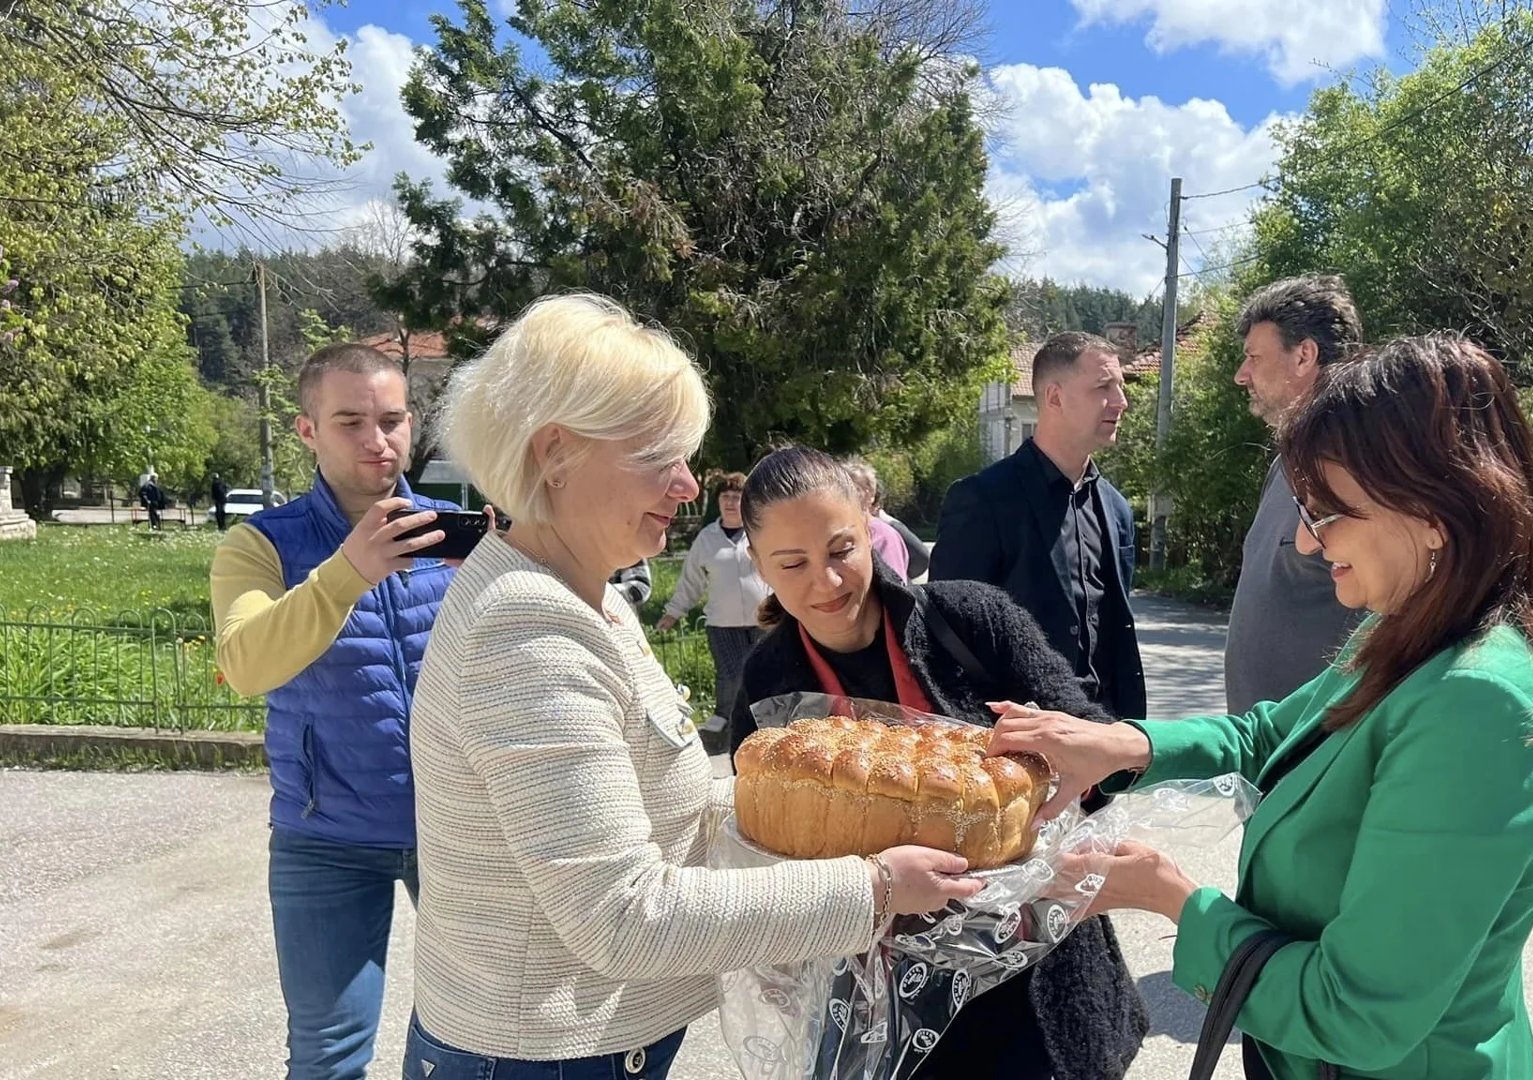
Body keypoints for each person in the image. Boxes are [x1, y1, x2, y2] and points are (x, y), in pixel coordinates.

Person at [989, 333, 1533, 1080]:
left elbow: (1358, 1011)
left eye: (1329, 514)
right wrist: (1124, 748)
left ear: (1436, 507)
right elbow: (1275, 734)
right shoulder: (1411, 625)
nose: (1311, 547)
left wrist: (1176, 901)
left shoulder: (1478, 708)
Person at [404, 294, 980, 1080]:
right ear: (555, 454)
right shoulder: (526, 628)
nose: (688, 483)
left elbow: (657, 805)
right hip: (540, 1057)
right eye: (659, 454)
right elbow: (623, 919)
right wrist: (874, 888)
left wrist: (829, 808)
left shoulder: (587, 593)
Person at [727, 446, 1148, 1080]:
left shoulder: (969, 620)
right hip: (878, 998)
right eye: (793, 563)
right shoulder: (766, 682)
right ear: (758, 564)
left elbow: (1091, 740)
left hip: (1027, 977)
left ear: (870, 529)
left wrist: (1069, 761)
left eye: (841, 550)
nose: (827, 582)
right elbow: (761, 836)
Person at [209, 343, 460, 1080]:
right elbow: (246, 662)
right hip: (324, 839)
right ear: (307, 429)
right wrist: (349, 572)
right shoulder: (260, 543)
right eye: (350, 420)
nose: (376, 441)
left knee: (477, 1042)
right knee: (327, 1054)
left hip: (459, 829)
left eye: (391, 419)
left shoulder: (459, 533)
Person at [931, 332, 1144, 719]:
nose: (1121, 402)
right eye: (1103, 387)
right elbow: (947, 636)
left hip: (1105, 732)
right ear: (1054, 397)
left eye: (1120, 387)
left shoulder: (1116, 509)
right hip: (1014, 734)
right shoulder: (983, 500)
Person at [1225, 275, 1369, 712]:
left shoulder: (1362, 467)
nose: (1240, 375)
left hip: (1323, 753)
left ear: (1304, 355)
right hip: (1266, 755)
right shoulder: (1286, 463)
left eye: (1253, 357)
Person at [654, 470, 771, 736]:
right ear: (718, 502)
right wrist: (674, 612)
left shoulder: (760, 532)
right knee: (730, 675)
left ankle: (761, 723)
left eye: (736, 497)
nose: (730, 503)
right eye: (725, 497)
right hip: (722, 624)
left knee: (764, 672)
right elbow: (691, 580)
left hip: (763, 620)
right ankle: (724, 718)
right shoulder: (707, 539)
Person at [839, 457, 910, 576]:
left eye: (855, 489)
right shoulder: (835, 532)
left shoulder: (884, 536)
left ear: (871, 494)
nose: (848, 495)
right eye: (841, 489)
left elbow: (893, 585)